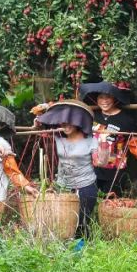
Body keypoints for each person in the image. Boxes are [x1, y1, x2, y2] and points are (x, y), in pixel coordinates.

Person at [77, 81, 137, 196]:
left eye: (108, 97)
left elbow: (135, 143)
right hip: (92, 169)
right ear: (96, 99)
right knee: (89, 200)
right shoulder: (92, 115)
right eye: (101, 97)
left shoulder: (125, 120)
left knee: (110, 206)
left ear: (114, 98)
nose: (104, 101)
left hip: (115, 172)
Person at [34, 100, 98, 238]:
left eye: (70, 121)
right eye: (62, 122)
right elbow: (39, 131)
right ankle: (62, 250)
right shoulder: (58, 137)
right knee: (61, 221)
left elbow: (102, 161)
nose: (65, 125)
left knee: (81, 222)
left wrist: (104, 142)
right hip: (62, 186)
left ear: (79, 122)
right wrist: (37, 123)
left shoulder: (91, 140)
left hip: (85, 186)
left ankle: (81, 250)